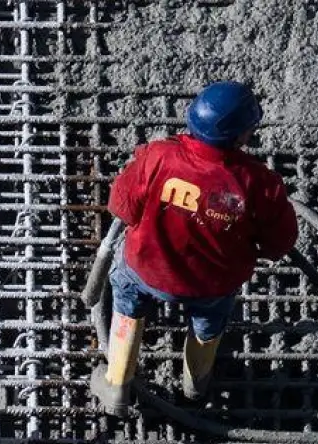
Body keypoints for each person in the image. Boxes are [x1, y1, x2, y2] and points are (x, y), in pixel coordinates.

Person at [92, 80, 300, 413]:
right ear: (241, 135)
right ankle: (195, 387)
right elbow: (278, 245)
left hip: (144, 269)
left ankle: (117, 385)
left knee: (128, 304)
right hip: (211, 287)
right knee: (208, 325)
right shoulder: (261, 184)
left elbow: (122, 208)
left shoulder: (158, 157)